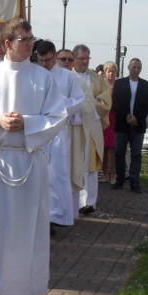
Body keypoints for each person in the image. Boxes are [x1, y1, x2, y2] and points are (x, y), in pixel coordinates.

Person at [0, 18, 66, 295]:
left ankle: (16, 288)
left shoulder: (43, 78)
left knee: (22, 227)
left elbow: (57, 117)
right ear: (9, 43)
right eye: (24, 39)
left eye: (31, 39)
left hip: (27, 158)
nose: (30, 44)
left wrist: (27, 122)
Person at [35, 40, 86, 230]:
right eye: (40, 60)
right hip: (37, 130)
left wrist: (59, 104)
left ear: (54, 56)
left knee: (56, 176)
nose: (44, 64)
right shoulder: (34, 73)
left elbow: (79, 101)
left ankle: (54, 217)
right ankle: (38, 216)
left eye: (47, 60)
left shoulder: (67, 77)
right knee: (38, 175)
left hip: (58, 132)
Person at [72, 44, 111, 215]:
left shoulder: (97, 79)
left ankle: (90, 203)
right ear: (74, 59)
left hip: (92, 126)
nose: (85, 62)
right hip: (73, 127)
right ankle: (75, 202)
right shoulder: (67, 77)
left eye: (87, 58)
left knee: (91, 165)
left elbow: (106, 102)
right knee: (74, 163)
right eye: (82, 58)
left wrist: (87, 104)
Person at [111, 58, 148, 193]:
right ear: (129, 67)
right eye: (134, 67)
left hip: (138, 125)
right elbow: (116, 103)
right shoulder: (119, 84)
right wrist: (127, 117)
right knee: (119, 153)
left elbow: (147, 105)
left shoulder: (146, 85)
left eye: (138, 68)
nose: (136, 70)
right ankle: (120, 180)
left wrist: (137, 118)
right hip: (122, 125)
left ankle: (135, 183)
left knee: (136, 155)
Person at [101, 62, 118, 184]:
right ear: (105, 72)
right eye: (109, 71)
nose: (111, 74)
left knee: (112, 149)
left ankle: (113, 175)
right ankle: (104, 174)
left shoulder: (119, 86)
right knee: (104, 148)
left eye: (113, 71)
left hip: (115, 119)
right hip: (104, 119)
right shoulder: (101, 86)